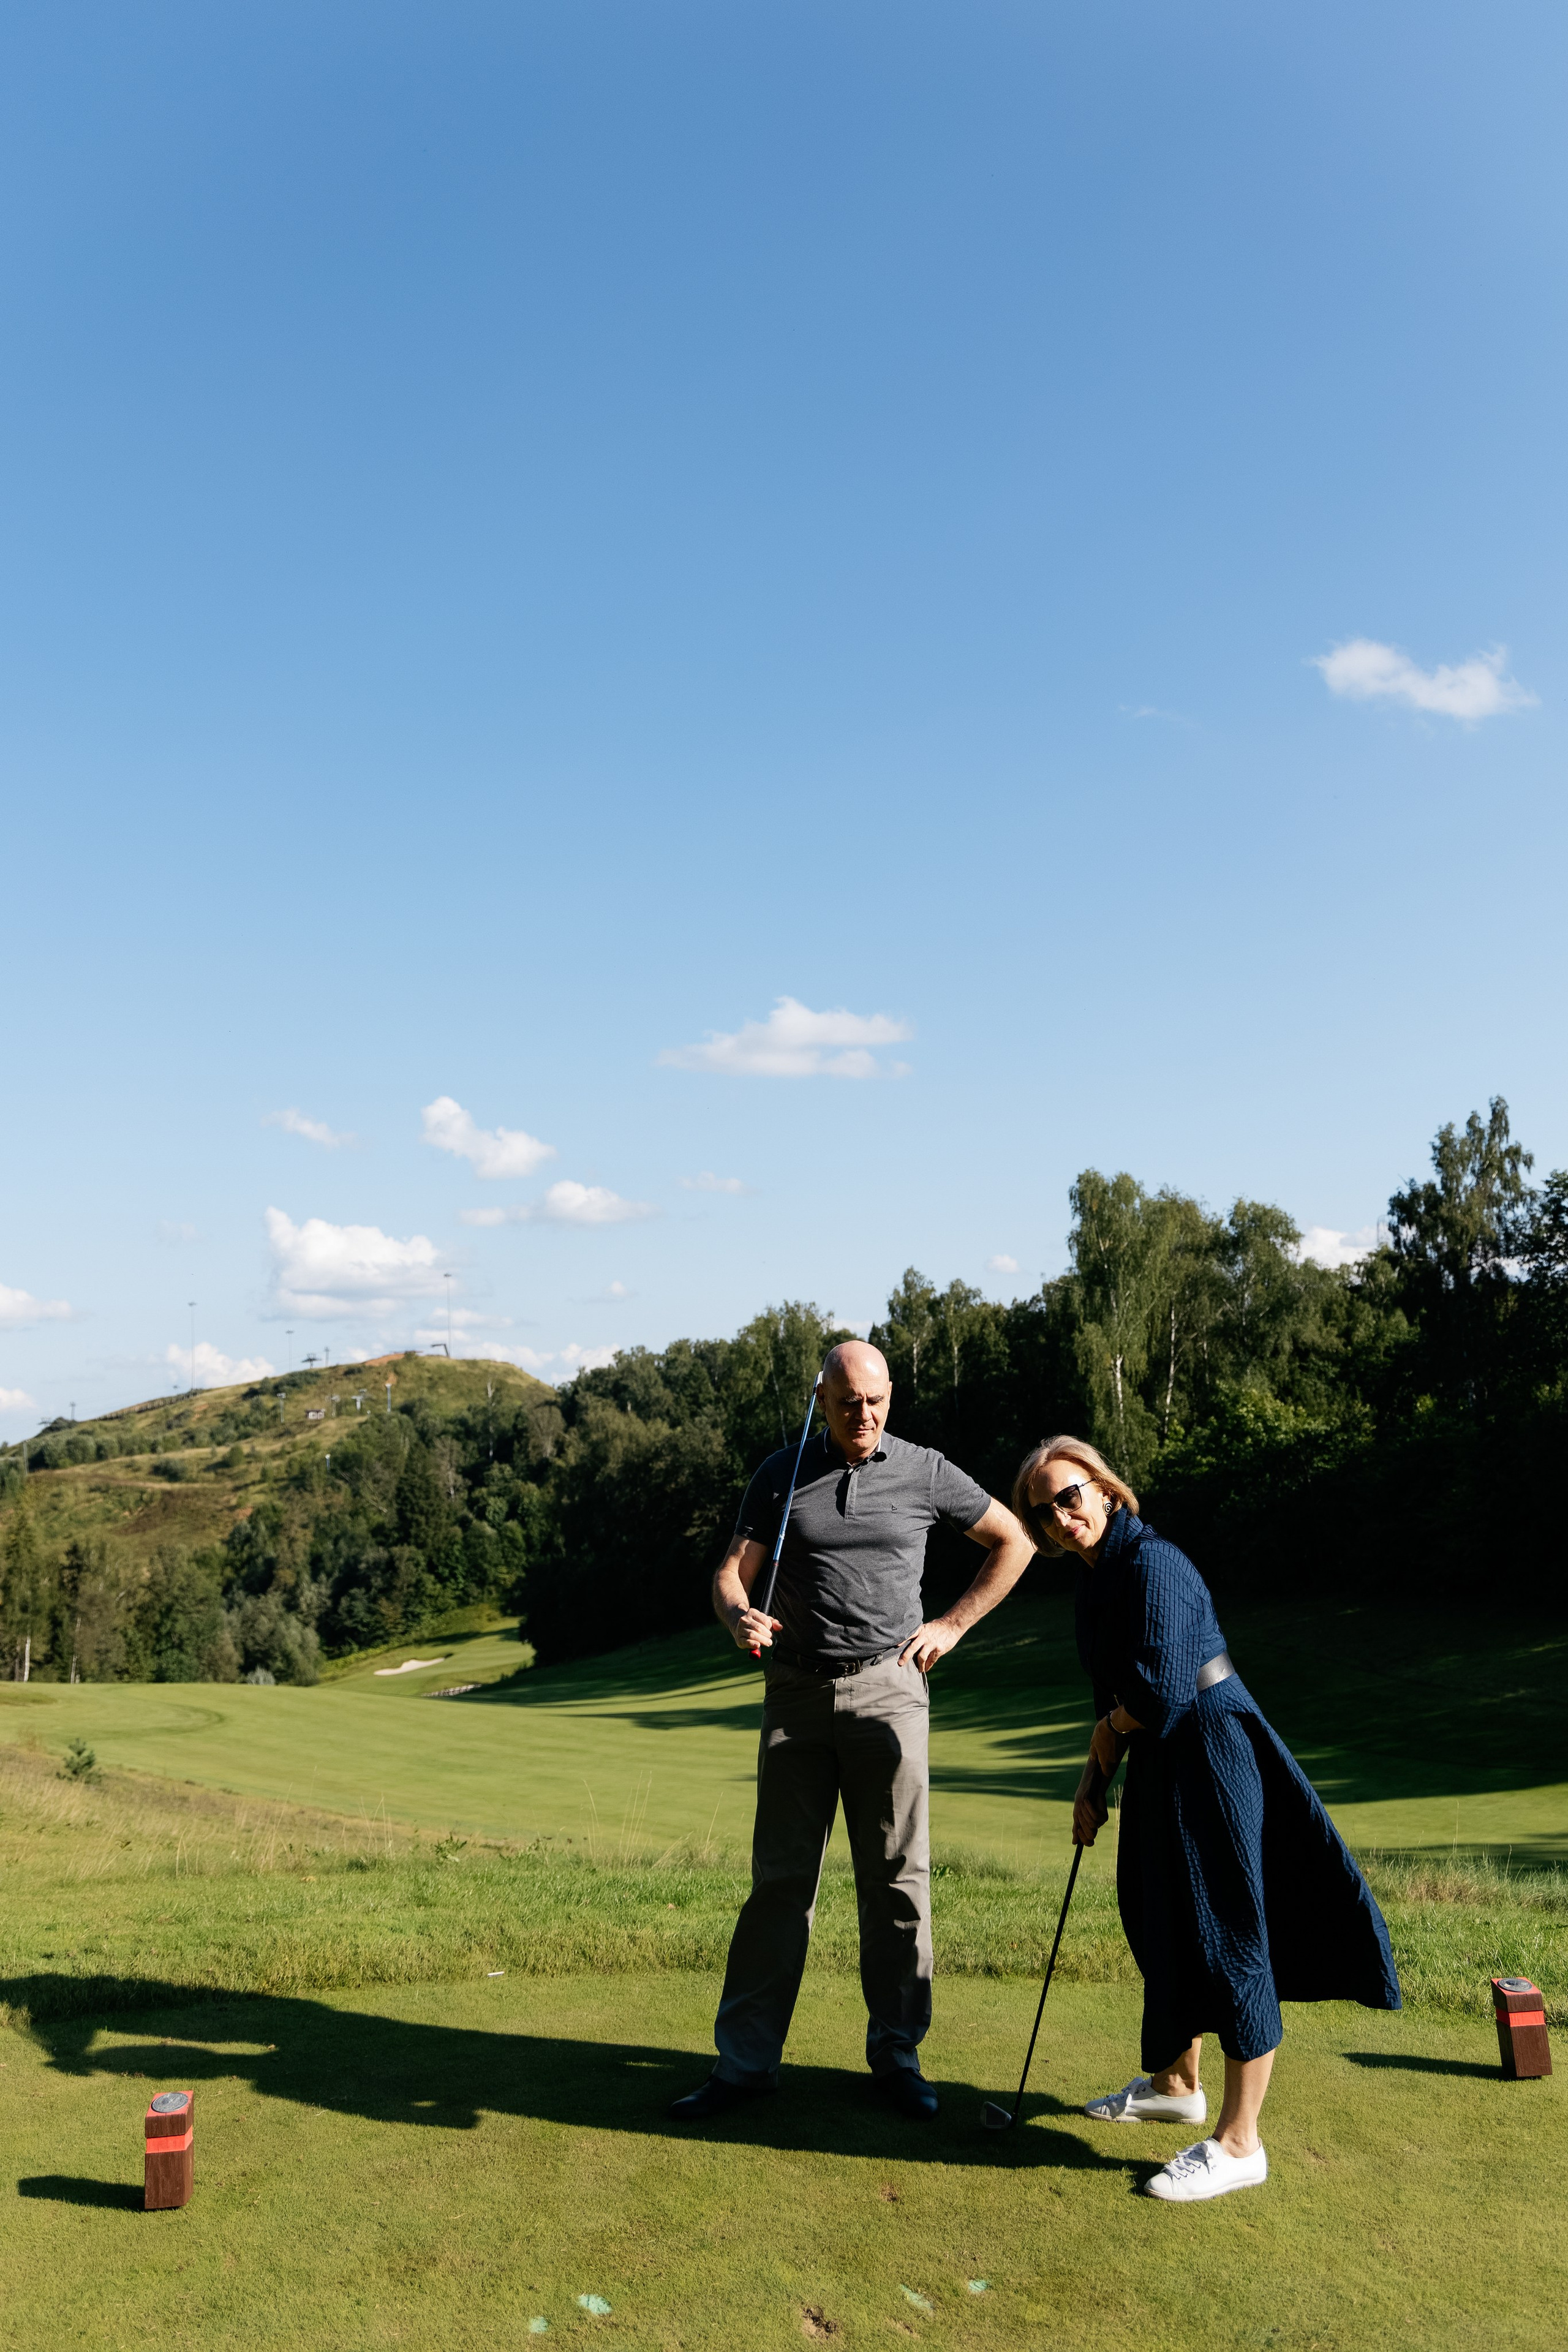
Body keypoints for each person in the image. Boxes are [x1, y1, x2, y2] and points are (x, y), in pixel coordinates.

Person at [1012, 1434, 1401, 2204]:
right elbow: (1115, 1701)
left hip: (1213, 1745)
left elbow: (1156, 1696)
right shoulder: (1096, 1580)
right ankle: (1176, 2084)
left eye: (1069, 1496)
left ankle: (1239, 2142)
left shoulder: (1153, 1563)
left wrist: (1107, 1738)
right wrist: (1093, 1782)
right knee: (1164, 1919)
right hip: (1161, 1755)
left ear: (1104, 1488)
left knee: (1228, 1931)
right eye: (1044, 1511)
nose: (1061, 1518)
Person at [669, 1341, 1035, 2124]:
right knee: (779, 1887)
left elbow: (1016, 1540)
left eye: (872, 1401)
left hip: (889, 1690)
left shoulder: (927, 1470)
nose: (860, 1415)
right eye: (844, 1402)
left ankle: (897, 2055)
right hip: (796, 1693)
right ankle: (745, 2065)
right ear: (821, 1400)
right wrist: (738, 1615)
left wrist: (953, 1624)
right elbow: (732, 1572)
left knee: (898, 1880)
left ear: (889, 1398)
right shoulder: (782, 1472)